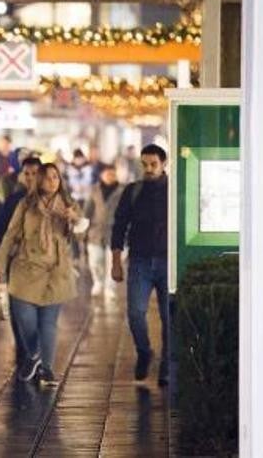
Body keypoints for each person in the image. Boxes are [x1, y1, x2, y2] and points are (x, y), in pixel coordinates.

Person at [0, 162, 82, 386]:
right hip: (26, 269)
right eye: (47, 177)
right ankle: (33, 354)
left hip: (56, 271)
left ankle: (47, 369)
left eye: (56, 177)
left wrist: (74, 219)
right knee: (26, 320)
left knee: (48, 324)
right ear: (38, 180)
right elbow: (10, 235)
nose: (52, 181)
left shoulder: (69, 205)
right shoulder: (25, 204)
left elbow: (80, 233)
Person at [111, 144, 170, 387]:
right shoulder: (133, 191)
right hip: (140, 261)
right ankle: (144, 352)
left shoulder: (174, 191)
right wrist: (116, 260)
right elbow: (119, 225)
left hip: (168, 262)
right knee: (135, 313)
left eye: (153, 164)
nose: (148, 169)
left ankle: (167, 364)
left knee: (169, 317)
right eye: (144, 164)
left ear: (164, 164)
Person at [0, 156, 42, 361]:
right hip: (17, 262)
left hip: (41, 265)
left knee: (39, 307)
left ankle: (35, 348)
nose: (30, 178)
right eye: (26, 174)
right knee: (17, 306)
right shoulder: (14, 200)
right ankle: (23, 348)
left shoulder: (51, 200)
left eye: (35, 174)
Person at [83, 164, 124, 298]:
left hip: (116, 232)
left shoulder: (123, 190)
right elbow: (87, 211)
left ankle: (110, 288)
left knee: (114, 262)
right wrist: (82, 230)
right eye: (107, 173)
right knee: (95, 260)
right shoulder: (95, 190)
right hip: (96, 231)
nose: (110, 176)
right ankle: (98, 282)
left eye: (113, 173)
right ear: (101, 175)